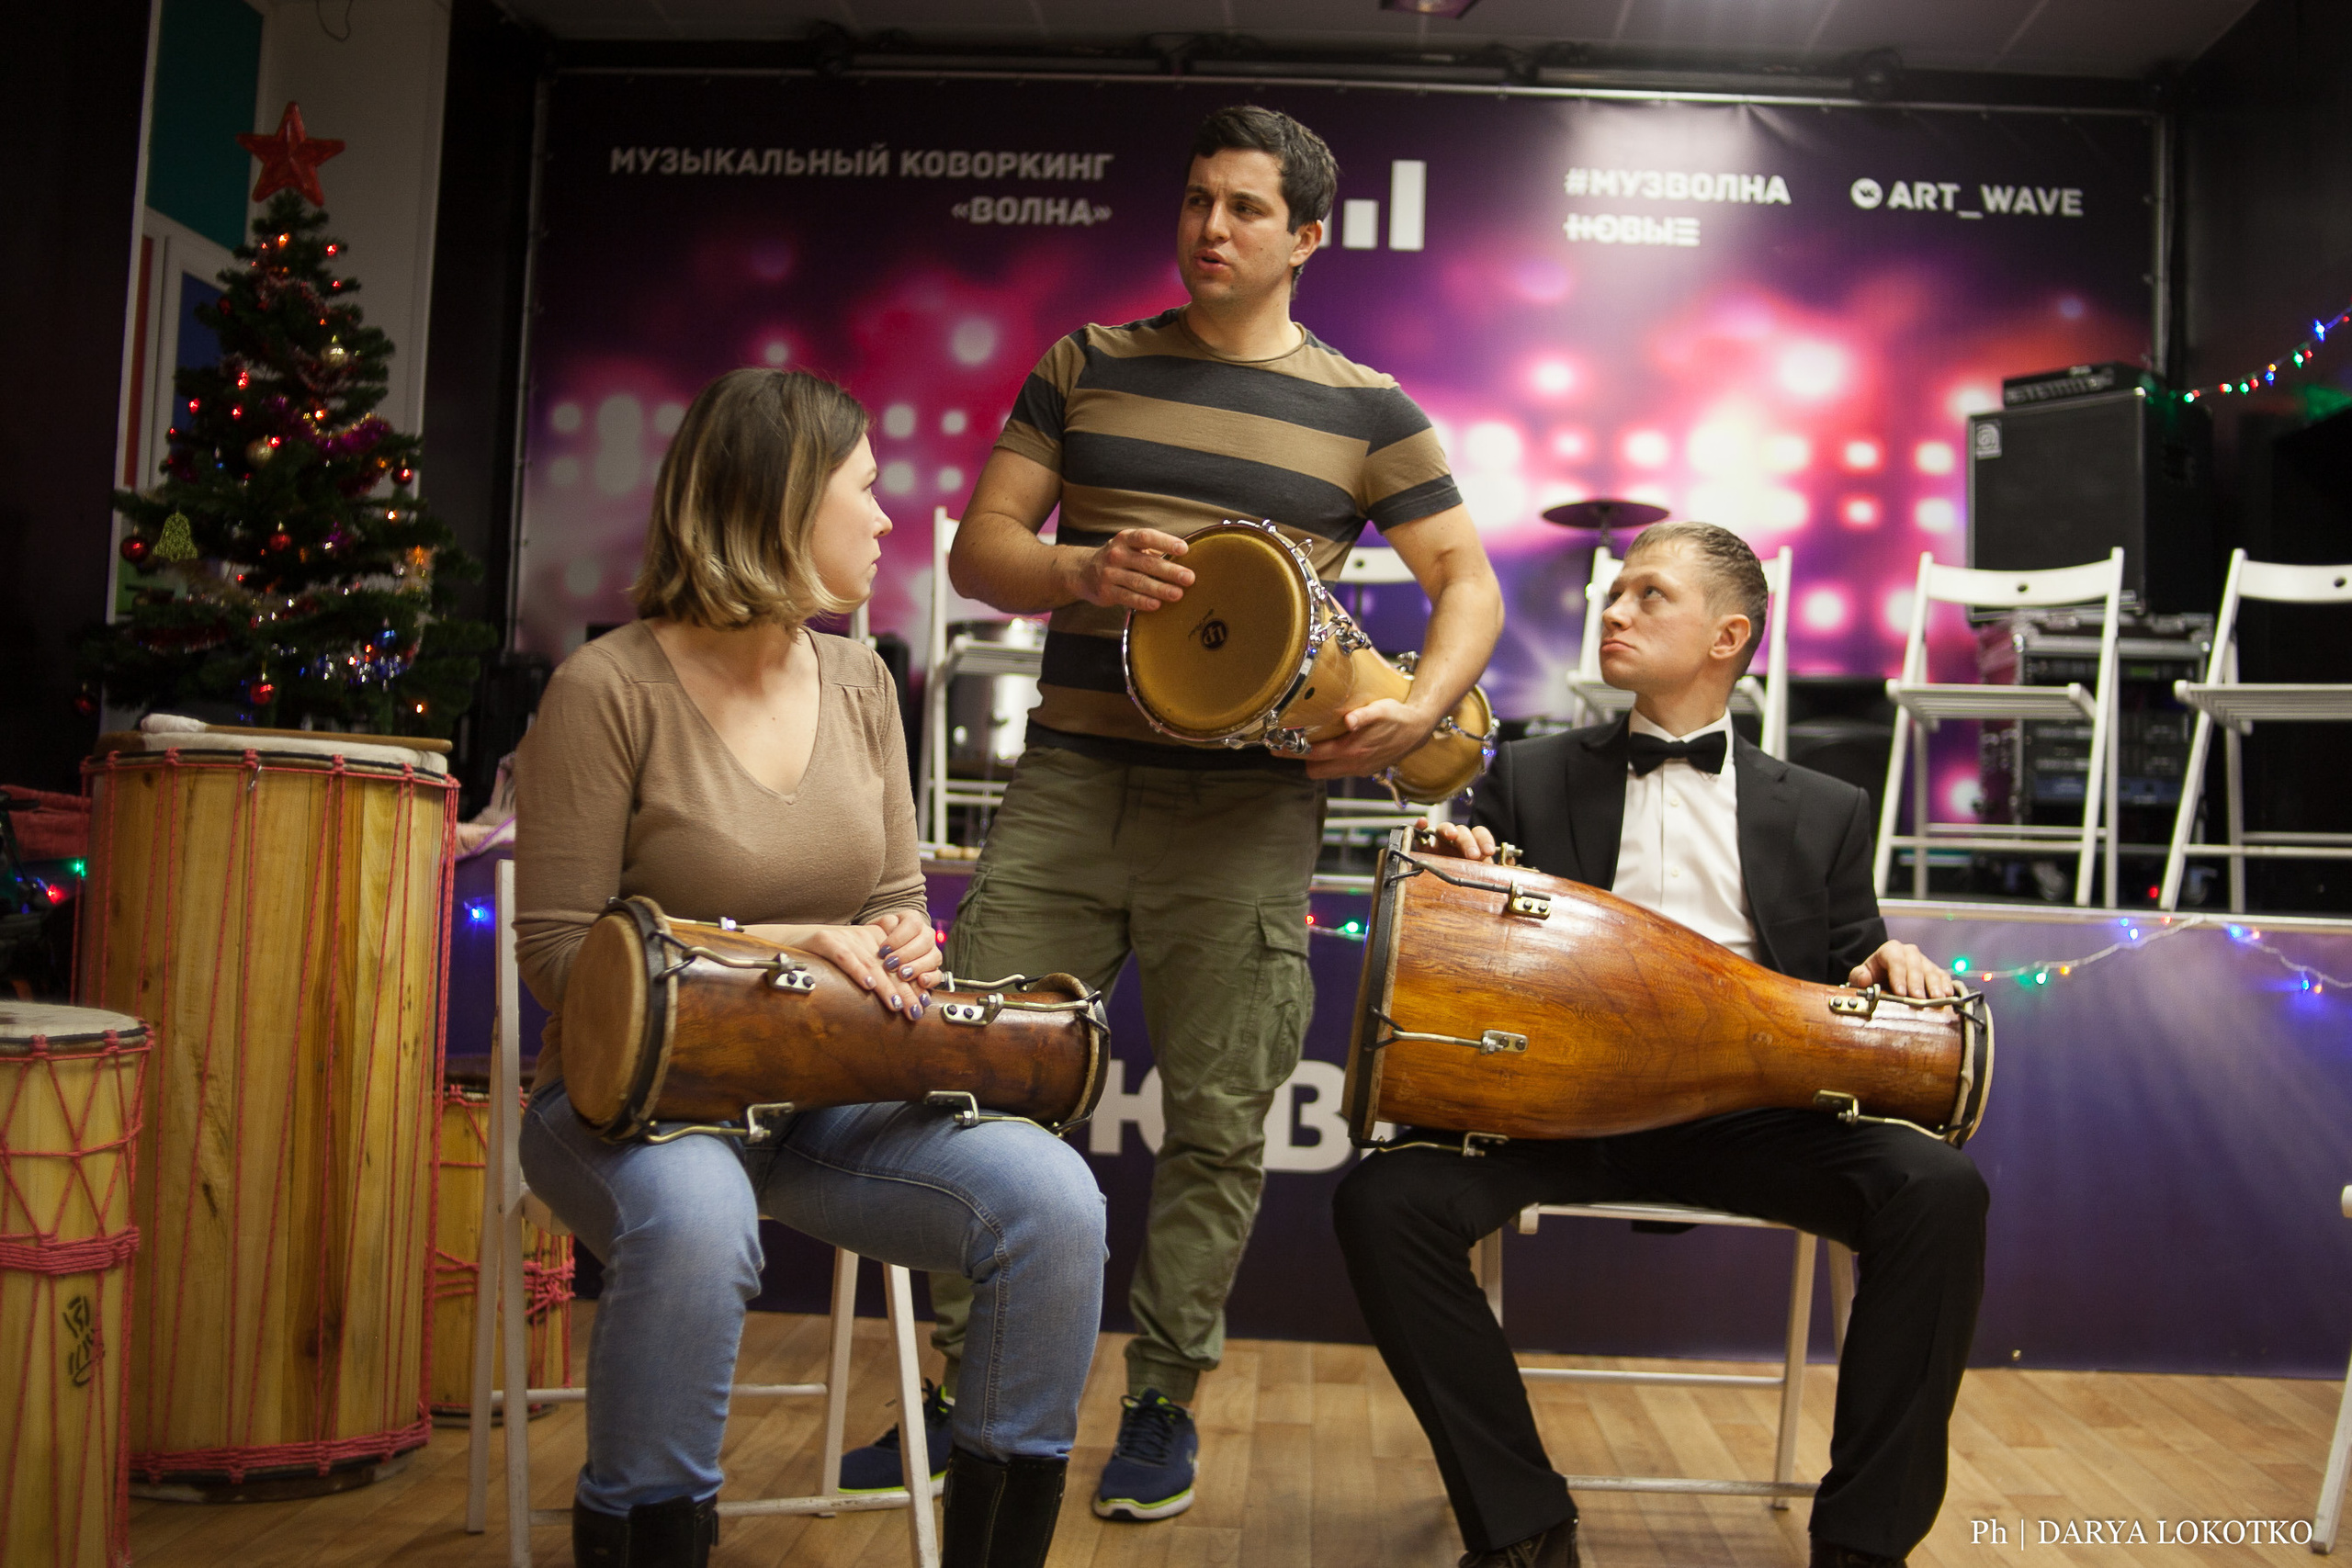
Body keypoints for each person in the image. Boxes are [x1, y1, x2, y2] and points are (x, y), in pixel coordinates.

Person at [836, 103, 1504, 1521]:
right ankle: (961, 1395)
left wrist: (1410, 709)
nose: (1212, 227)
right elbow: (984, 547)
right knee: (975, 1081)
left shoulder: (1368, 407)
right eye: (1198, 199)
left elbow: (1471, 582)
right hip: (1068, 786)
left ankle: (1161, 1399)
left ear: (1307, 236)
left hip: (1251, 818)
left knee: (1215, 1120)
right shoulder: (1085, 365)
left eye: (1247, 208)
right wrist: (1079, 572)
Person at [514, 367, 1106, 1568]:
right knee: (697, 1215)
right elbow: (562, 958)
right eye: (867, 490)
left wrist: (901, 939)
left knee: (1053, 1200)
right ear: (778, 504)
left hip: (828, 1099)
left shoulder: (860, 679)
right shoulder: (605, 688)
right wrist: (783, 944)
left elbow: (890, 896)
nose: (891, 520)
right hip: (633, 1102)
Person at [1333, 522, 1988, 1568]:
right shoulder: (1533, 776)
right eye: (1614, 594)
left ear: (1728, 636)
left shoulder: (1824, 810)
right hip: (1553, 1112)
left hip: (1754, 1121)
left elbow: (1844, 976)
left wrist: (1887, 971)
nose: (1616, 610)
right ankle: (1523, 1527)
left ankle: (1864, 1542)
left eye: (1648, 596)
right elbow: (1469, 921)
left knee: (1939, 1189)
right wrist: (1460, 866)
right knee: (1381, 1200)